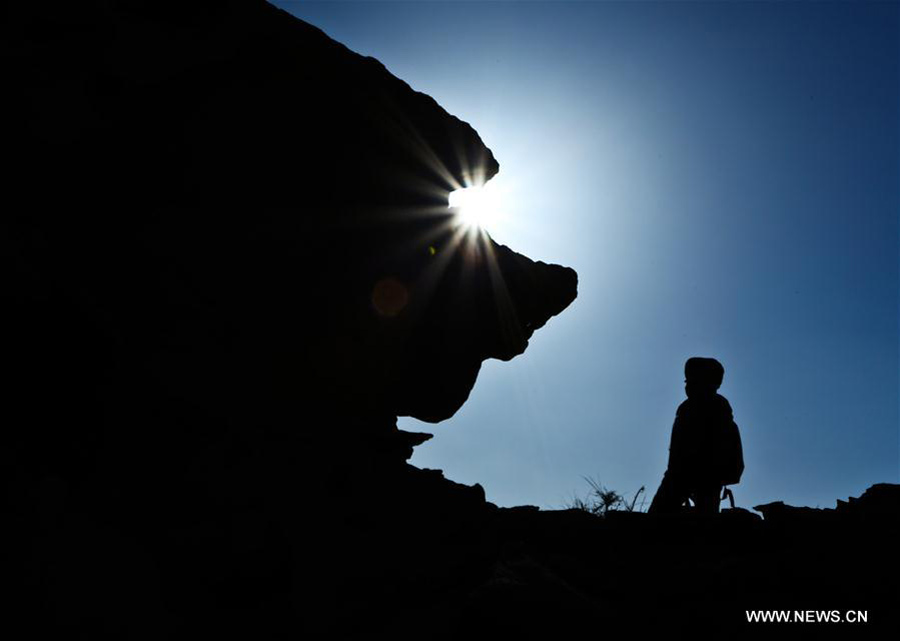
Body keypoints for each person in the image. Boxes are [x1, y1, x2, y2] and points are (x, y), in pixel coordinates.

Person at [648, 357, 743, 515]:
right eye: (687, 381)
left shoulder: (712, 410)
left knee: (662, 515)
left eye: (692, 381)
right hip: (691, 476)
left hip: (699, 476)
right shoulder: (690, 408)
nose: (687, 385)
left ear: (710, 383)